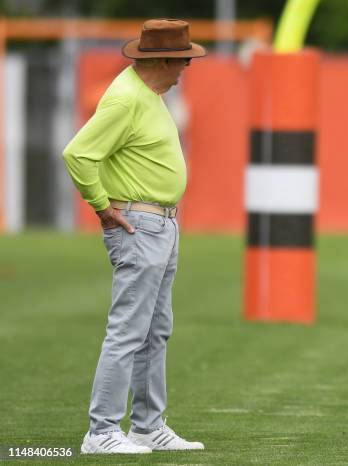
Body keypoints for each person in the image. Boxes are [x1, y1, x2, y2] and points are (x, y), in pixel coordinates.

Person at [63, 19, 207, 455]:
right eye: (183, 59)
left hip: (160, 225)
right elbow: (78, 154)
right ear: (163, 59)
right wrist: (103, 209)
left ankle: (147, 426)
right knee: (129, 330)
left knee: (154, 331)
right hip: (138, 225)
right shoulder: (126, 100)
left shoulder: (149, 95)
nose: (186, 66)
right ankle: (102, 430)